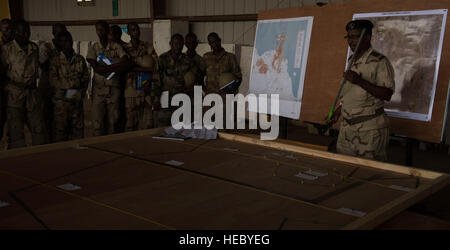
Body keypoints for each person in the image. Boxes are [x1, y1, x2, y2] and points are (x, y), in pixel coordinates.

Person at [327, 20, 395, 161]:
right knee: (344, 169)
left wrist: (359, 80)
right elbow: (353, 93)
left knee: (367, 173)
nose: (351, 41)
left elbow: (387, 94)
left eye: (356, 36)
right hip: (347, 128)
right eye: (349, 37)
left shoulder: (380, 62)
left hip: (369, 131)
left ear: (367, 37)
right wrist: (339, 110)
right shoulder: (351, 59)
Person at [1, 19, 47, 149]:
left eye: (28, 31)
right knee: (16, 131)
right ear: (16, 32)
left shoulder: (34, 48)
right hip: (14, 94)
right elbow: (2, 72)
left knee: (38, 129)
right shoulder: (7, 49)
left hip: (32, 93)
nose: (26, 35)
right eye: (22, 32)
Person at [86, 20, 129, 136]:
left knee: (113, 122)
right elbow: (97, 69)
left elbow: (125, 63)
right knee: (98, 123)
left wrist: (107, 67)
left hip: (114, 89)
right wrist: (116, 65)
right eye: (98, 30)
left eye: (103, 29)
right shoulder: (93, 48)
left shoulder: (116, 46)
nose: (100, 32)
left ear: (107, 30)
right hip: (98, 91)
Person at [49, 30, 90, 142]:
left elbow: (85, 78)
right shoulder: (55, 61)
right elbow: (53, 81)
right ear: (59, 44)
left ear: (72, 41)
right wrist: (72, 85)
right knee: (60, 134)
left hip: (76, 101)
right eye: (62, 41)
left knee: (77, 133)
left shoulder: (79, 59)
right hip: (61, 104)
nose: (66, 43)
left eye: (68, 40)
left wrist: (80, 92)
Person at [122, 22, 158, 131]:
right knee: (130, 124)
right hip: (130, 92)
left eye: (137, 29)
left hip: (146, 89)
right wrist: (146, 69)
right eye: (132, 30)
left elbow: (156, 67)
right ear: (128, 32)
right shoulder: (124, 49)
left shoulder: (148, 47)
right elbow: (125, 67)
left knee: (147, 124)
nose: (136, 32)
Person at [153, 33, 193, 127]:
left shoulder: (187, 60)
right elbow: (156, 80)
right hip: (165, 97)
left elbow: (192, 80)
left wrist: (188, 90)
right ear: (170, 43)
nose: (178, 46)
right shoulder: (162, 59)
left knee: (180, 127)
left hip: (181, 98)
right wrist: (155, 99)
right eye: (175, 43)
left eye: (180, 44)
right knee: (162, 126)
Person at [39, 23, 67, 142]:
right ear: (53, 33)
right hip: (48, 88)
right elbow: (43, 65)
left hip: (62, 88)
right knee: (47, 116)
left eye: (62, 33)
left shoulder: (66, 46)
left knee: (62, 115)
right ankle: (48, 141)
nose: (60, 35)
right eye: (57, 33)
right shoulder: (46, 46)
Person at [0, 18, 14, 143]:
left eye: (10, 29)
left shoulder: (16, 48)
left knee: (14, 126)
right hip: (2, 91)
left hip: (15, 93)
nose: (8, 32)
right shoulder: (0, 48)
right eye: (5, 29)